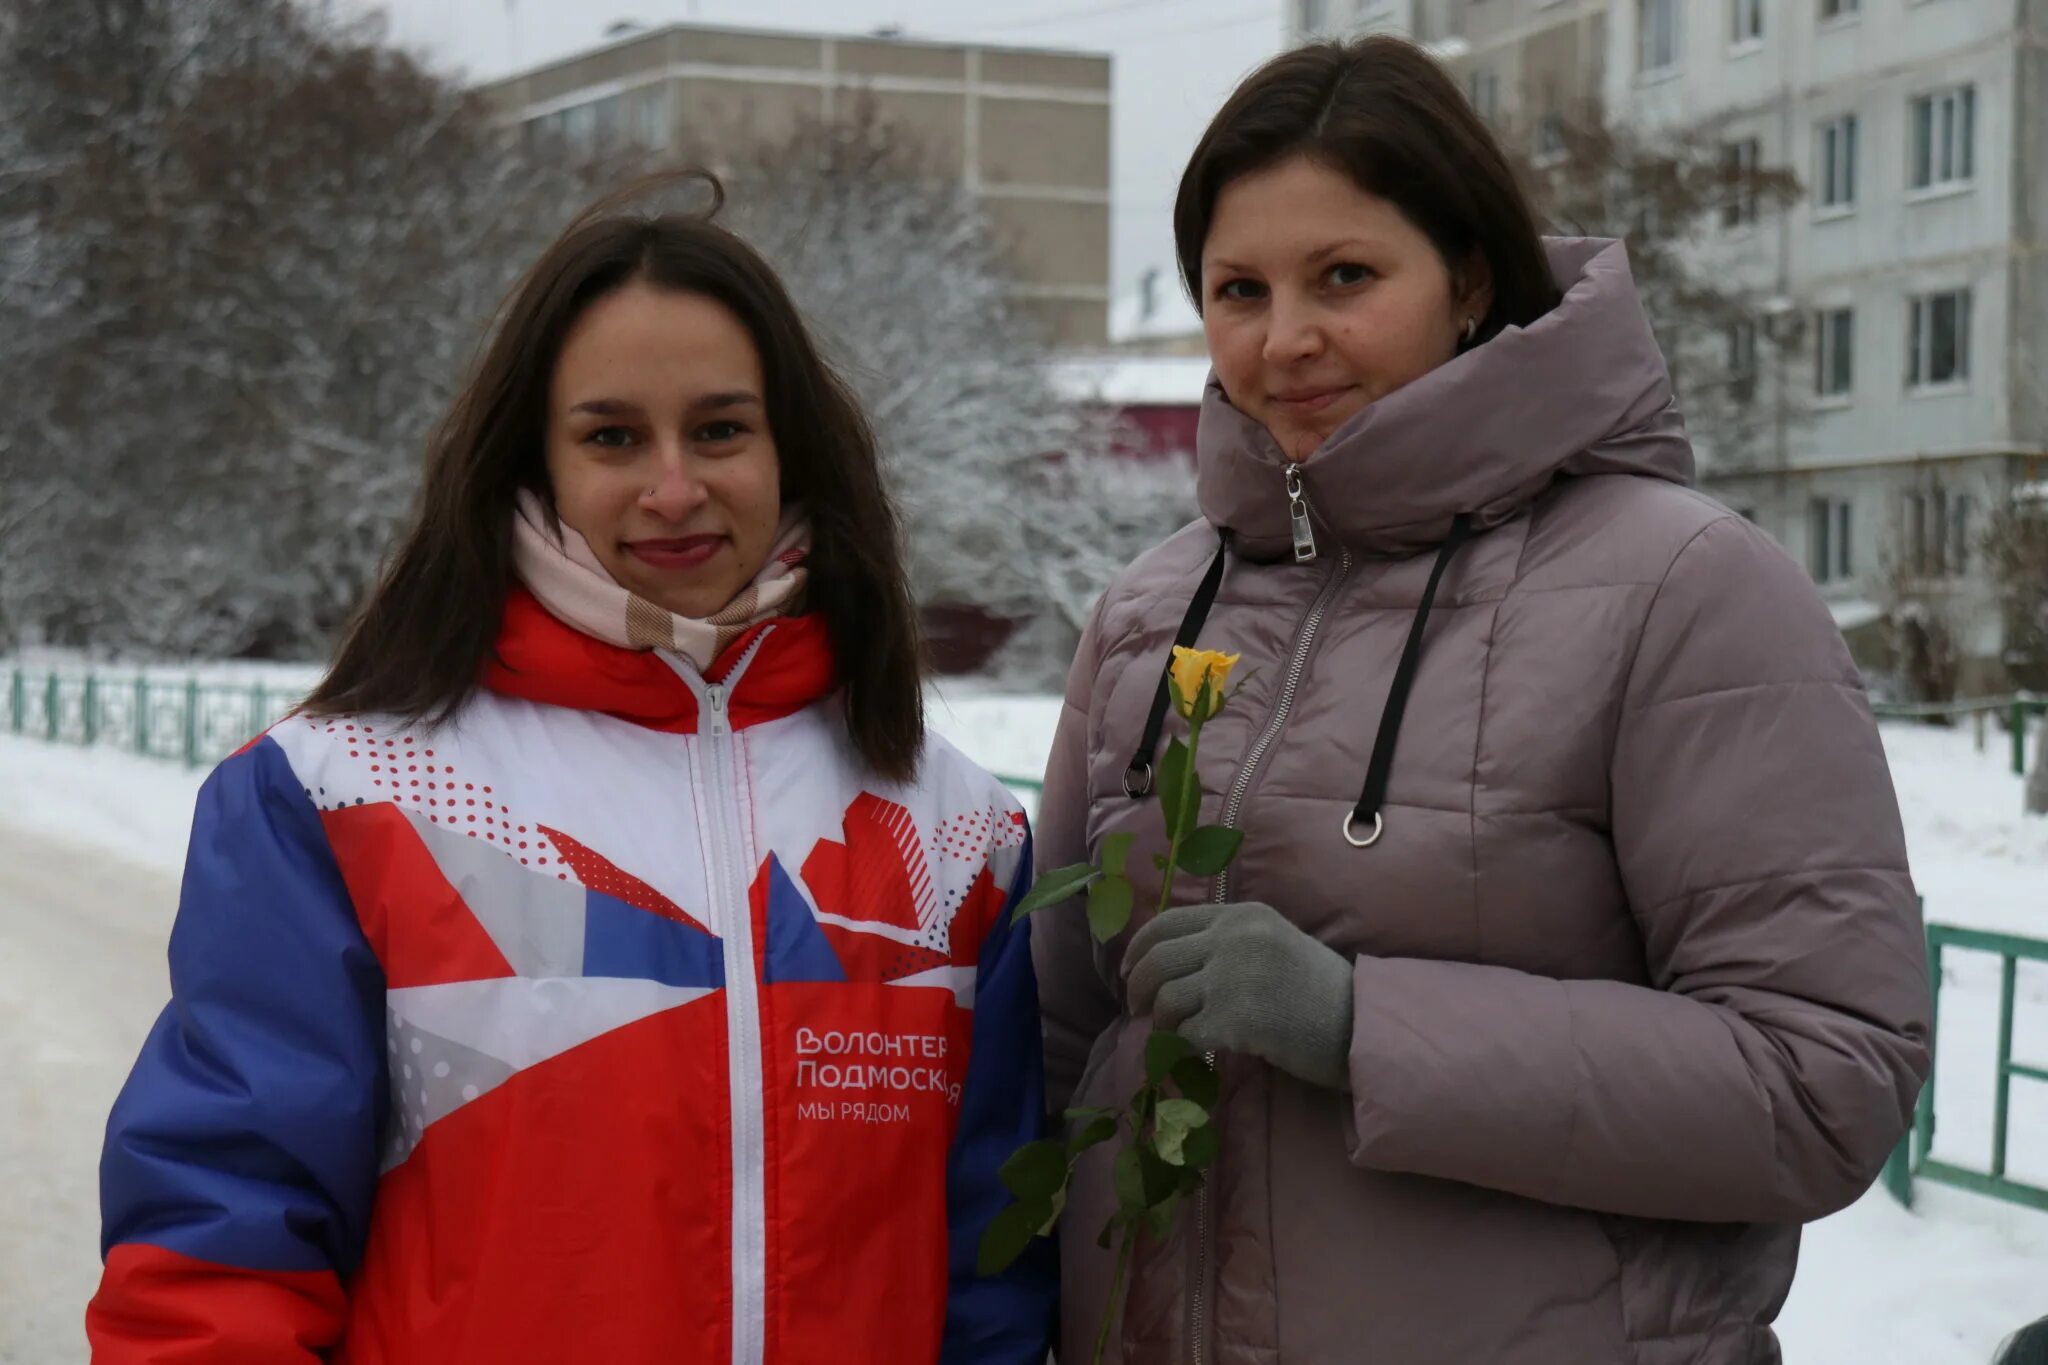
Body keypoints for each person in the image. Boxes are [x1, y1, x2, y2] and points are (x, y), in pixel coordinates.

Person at [1032, 37, 1931, 1364]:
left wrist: (1363, 1025)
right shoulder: (1153, 612)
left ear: (1465, 280)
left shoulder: (1684, 587)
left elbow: (1823, 1080)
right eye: (1239, 288)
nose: (1285, 341)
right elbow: (1064, 1035)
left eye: (1345, 276)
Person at [87, 174, 1053, 1365]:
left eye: (717, 429)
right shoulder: (340, 795)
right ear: (529, 462)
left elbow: (990, 1276)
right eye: (610, 436)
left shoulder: (956, 832)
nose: (671, 488)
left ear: (787, 445)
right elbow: (221, 1237)